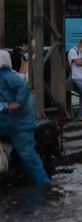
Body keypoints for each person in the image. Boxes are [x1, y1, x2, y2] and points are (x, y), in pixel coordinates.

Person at [0, 50, 51, 186]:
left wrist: (17, 104)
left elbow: (24, 88)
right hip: (7, 122)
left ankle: (44, 184)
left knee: (28, 156)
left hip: (18, 124)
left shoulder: (7, 76)